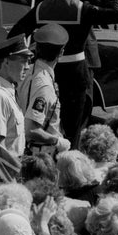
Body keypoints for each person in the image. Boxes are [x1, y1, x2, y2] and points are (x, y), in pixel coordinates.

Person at [9, 0, 118, 146]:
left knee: (44, 122)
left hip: (45, 72)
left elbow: (15, 33)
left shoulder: (41, 8)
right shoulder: (83, 9)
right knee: (73, 129)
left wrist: (28, 56)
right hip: (76, 75)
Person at [17, 23, 71, 156]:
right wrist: (57, 141)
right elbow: (31, 130)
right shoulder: (44, 86)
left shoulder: (27, 71)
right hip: (40, 154)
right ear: (61, 53)